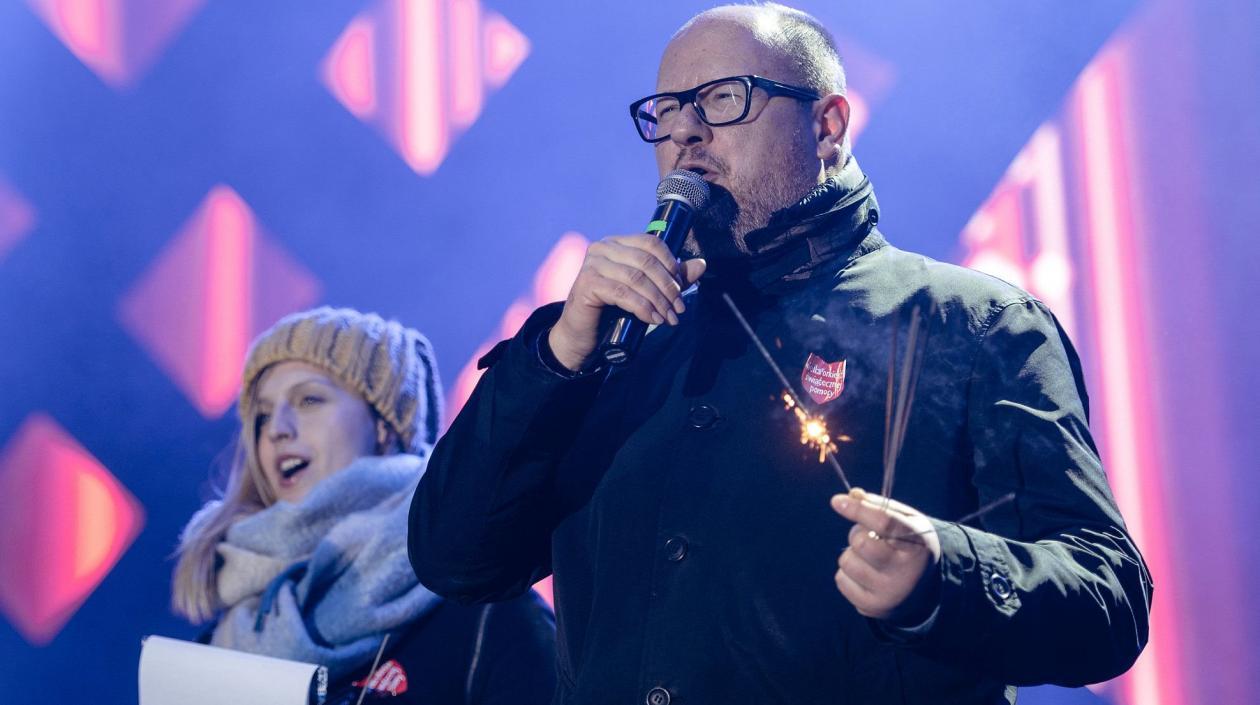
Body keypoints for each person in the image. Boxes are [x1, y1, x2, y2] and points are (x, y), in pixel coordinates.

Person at [408, 4, 1152, 704]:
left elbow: (1108, 595)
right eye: (665, 112)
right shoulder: (616, 350)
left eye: (722, 98)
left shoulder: (975, 325)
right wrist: (554, 355)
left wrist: (943, 571)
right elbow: (455, 558)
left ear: (827, 125)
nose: (685, 135)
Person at [172, 307, 556, 705]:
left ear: (384, 426)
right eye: (263, 414)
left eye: (308, 399)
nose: (277, 429)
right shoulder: (233, 630)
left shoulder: (484, 612)